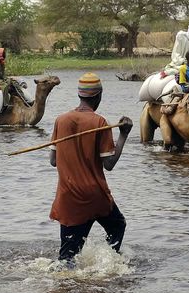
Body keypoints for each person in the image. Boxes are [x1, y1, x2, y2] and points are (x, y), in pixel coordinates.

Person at [49, 73, 132, 263]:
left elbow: (53, 161)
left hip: (69, 197)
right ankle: (109, 262)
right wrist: (123, 135)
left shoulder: (60, 120)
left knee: (66, 258)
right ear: (98, 96)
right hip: (96, 196)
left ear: (80, 95)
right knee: (117, 226)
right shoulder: (99, 122)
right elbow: (109, 164)